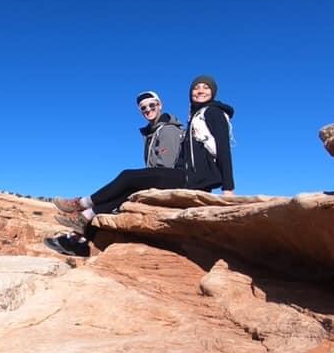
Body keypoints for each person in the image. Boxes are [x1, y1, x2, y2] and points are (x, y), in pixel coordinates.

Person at [52, 75, 235, 235]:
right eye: (196, 87)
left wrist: (228, 188)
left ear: (213, 92)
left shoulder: (213, 112)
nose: (200, 90)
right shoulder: (195, 117)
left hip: (193, 179)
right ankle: (84, 219)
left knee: (128, 176)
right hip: (188, 176)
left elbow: (223, 148)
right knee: (130, 187)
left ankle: (82, 203)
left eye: (206, 87)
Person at [44, 90, 184, 256]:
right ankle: (78, 238)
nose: (148, 110)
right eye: (143, 108)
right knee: (117, 198)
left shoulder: (168, 129)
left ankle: (81, 204)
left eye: (151, 105)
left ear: (160, 105)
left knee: (127, 177)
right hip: (160, 177)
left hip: (173, 177)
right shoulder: (152, 131)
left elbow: (166, 165)